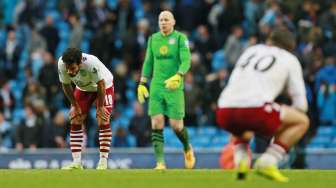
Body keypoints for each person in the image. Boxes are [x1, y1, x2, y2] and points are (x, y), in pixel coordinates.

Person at [216, 28, 309, 182]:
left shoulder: (251, 51)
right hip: (255, 110)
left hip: (224, 110)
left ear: (269, 41)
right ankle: (269, 161)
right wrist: (281, 122)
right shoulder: (289, 59)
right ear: (290, 47)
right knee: (302, 121)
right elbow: (301, 105)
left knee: (243, 128)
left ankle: (241, 162)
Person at [137, 10, 196, 169]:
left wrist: (179, 75)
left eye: (166, 19)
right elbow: (148, 61)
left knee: (176, 126)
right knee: (156, 123)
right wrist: (142, 82)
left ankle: (187, 147)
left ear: (173, 22)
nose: (163, 22)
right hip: (156, 86)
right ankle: (160, 162)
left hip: (174, 86)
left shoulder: (180, 38)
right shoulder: (153, 39)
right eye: (161, 20)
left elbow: (186, 60)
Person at [58, 48, 114, 170]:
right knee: (75, 118)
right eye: (67, 68)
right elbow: (66, 85)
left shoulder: (91, 63)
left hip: (104, 86)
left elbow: (101, 84)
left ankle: (103, 162)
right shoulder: (62, 64)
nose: (69, 71)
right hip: (83, 88)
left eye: (72, 68)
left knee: (103, 119)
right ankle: (77, 163)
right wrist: (75, 105)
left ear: (80, 64)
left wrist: (99, 107)